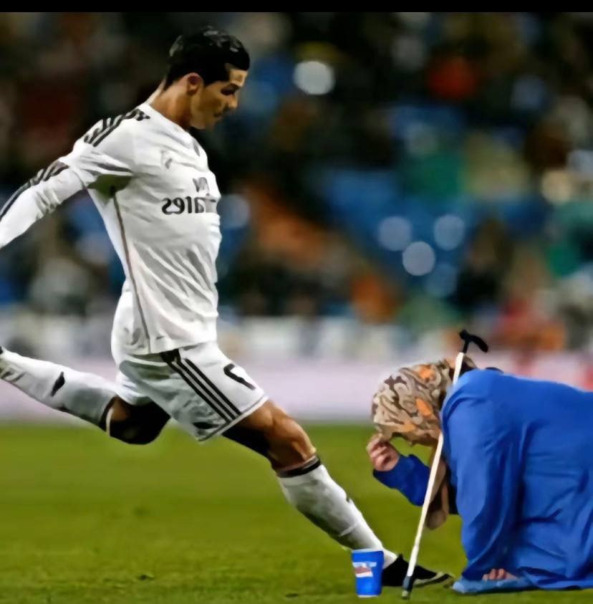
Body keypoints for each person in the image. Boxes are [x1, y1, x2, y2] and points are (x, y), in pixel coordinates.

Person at [0, 25, 449, 588]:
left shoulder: (189, 145)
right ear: (193, 82)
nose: (233, 104)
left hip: (169, 326)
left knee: (133, 424)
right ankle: (377, 564)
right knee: (287, 439)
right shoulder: (123, 137)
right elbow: (43, 189)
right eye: (228, 90)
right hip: (168, 341)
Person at [367, 357, 593, 594]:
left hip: (581, 482)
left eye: (403, 429)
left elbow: (484, 498)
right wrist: (399, 469)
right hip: (577, 476)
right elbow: (466, 493)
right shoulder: (471, 400)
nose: (412, 441)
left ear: (415, 407)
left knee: (530, 555)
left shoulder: (471, 405)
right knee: (520, 549)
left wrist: (480, 570)